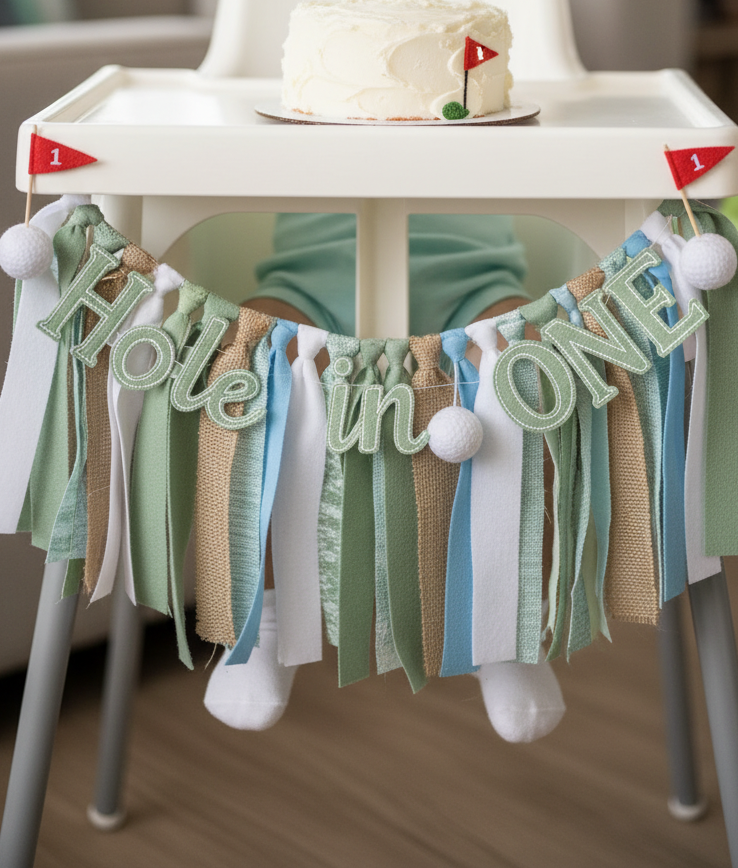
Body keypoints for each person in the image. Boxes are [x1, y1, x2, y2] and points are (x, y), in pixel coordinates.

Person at [204, 212, 565, 743]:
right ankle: (266, 623)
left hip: (474, 284)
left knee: (526, 365)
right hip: (311, 284)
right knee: (252, 357)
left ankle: (508, 625)